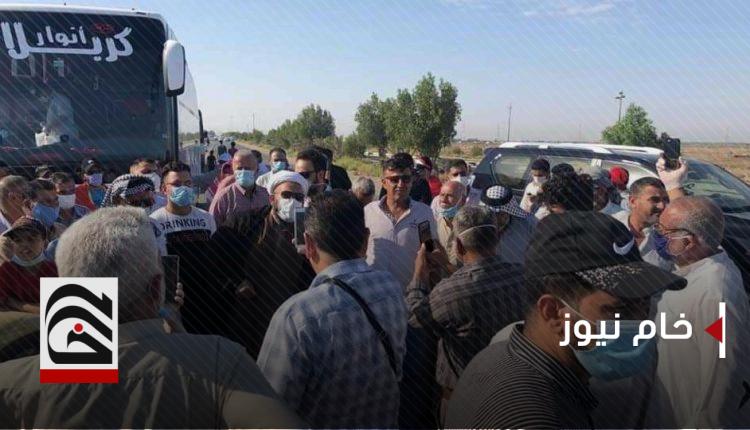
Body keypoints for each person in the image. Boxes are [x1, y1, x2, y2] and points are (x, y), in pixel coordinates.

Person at [0, 207, 305, 428]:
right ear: (157, 287)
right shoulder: (222, 360)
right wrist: (180, 335)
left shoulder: (13, 382)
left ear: (63, 284)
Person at [445, 211, 687, 428]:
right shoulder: (537, 418)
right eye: (619, 310)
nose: (641, 324)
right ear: (553, 312)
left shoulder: (501, 354)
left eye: (645, 305)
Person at [257, 191, 407, 428]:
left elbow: (268, 412)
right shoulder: (391, 288)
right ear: (366, 239)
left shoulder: (296, 317)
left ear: (308, 244)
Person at [407, 205, 525, 423]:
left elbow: (416, 318)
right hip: (513, 396)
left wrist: (419, 274)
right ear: (497, 238)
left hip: (465, 402)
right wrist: (446, 265)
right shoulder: (523, 276)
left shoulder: (449, 292)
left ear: (459, 245)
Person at [649, 197, 750, 427]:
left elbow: (722, 373)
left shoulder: (716, 293)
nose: (657, 234)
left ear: (688, 241)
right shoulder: (691, 267)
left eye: (664, 230)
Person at [209, 171, 314, 357]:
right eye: (286, 195)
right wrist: (236, 282)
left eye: (298, 197)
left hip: (289, 314)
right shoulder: (244, 222)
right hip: (247, 312)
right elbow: (215, 256)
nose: (292, 201)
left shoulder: (309, 229)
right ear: (272, 198)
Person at [151, 162, 221, 336]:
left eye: (188, 183)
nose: (183, 188)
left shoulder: (206, 218)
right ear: (163, 189)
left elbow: (215, 257)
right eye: (176, 184)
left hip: (207, 297)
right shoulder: (155, 222)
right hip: (175, 300)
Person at [366, 155, 437, 287]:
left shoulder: (423, 214)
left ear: (412, 181)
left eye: (406, 179)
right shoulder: (368, 212)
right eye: (394, 179)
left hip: (408, 292)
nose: (401, 184)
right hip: (373, 291)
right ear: (384, 183)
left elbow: (428, 250)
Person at [612, 177, 672, 270]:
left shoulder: (669, 239)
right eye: (655, 200)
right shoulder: (609, 224)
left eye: (665, 200)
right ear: (633, 202)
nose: (662, 206)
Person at [0, 217, 57, 314]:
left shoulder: (54, 269)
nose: (25, 244)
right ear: (12, 244)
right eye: (18, 240)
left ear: (44, 242)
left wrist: (15, 304)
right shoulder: (7, 270)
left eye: (31, 239)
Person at [479, 185, 536, 265]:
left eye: (500, 214)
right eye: (491, 214)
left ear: (509, 212)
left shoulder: (529, 224)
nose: (495, 218)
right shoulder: (477, 227)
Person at [209, 150, 269, 226]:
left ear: (256, 169)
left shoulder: (264, 195)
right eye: (239, 168)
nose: (243, 171)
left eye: (248, 168)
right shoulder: (223, 197)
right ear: (233, 170)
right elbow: (212, 225)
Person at [433, 180, 466, 267]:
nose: (444, 200)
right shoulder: (436, 223)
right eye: (442, 195)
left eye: (450, 196)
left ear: (462, 200)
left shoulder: (469, 226)